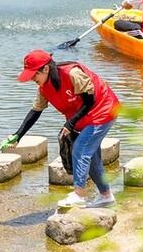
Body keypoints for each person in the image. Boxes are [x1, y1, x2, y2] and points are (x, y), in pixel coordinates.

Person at [10, 49, 119, 209]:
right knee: (92, 157)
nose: (32, 79)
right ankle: (106, 196)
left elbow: (90, 100)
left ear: (45, 69)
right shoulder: (43, 88)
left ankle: (79, 194)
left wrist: (70, 124)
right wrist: (17, 135)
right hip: (83, 118)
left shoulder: (73, 73)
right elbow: (35, 111)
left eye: (34, 75)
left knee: (80, 150)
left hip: (103, 110)